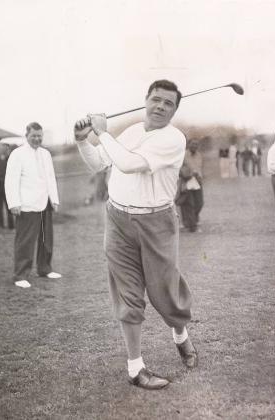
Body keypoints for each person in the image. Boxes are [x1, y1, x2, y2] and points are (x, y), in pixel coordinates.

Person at [75, 80, 197, 390]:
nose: (159, 106)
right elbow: (99, 164)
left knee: (165, 293)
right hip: (117, 219)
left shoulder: (174, 139)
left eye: (167, 103)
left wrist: (102, 133)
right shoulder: (130, 132)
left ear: (174, 110)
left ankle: (180, 334)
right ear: (145, 100)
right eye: (155, 99)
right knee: (127, 294)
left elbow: (128, 164)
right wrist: (82, 142)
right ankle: (135, 369)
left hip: (157, 222)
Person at [5, 122, 61, 288]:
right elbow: (11, 180)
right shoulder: (17, 154)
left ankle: (45, 268)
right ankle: (20, 274)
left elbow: (50, 177)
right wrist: (14, 203)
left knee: (46, 239)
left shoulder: (45, 154)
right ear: (26, 135)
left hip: (45, 203)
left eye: (39, 136)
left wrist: (55, 199)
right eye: (33, 136)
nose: (37, 139)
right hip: (26, 205)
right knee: (25, 241)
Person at [177, 139, 204, 232]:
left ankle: (191, 220)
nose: (194, 146)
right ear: (188, 145)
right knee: (189, 204)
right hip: (187, 181)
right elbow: (179, 168)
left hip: (198, 182)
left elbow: (200, 168)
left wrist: (200, 177)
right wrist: (189, 174)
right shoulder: (183, 155)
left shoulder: (199, 155)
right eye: (193, 144)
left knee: (200, 203)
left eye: (196, 144)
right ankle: (192, 226)